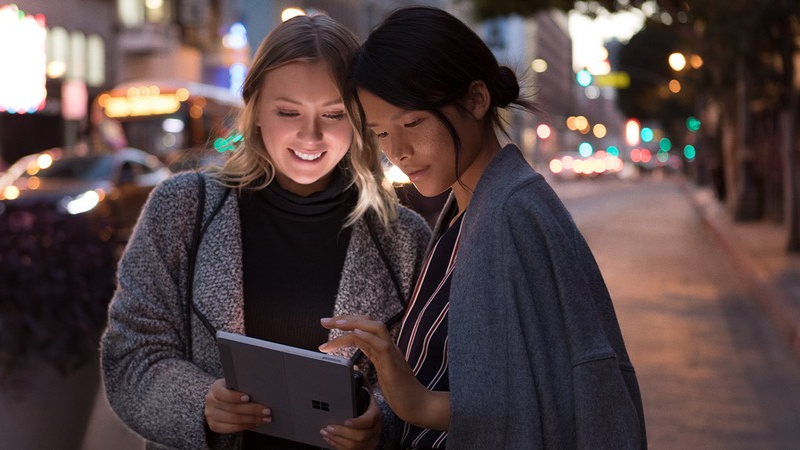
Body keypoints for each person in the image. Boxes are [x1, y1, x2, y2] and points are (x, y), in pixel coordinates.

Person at [320, 6, 647, 449]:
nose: (399, 150)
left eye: (413, 122)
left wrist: (417, 404)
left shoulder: (513, 213)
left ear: (475, 99)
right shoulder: (466, 209)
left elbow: (550, 406)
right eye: (380, 133)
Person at [101, 13, 431, 450]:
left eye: (333, 113)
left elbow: (436, 378)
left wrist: (383, 423)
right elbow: (131, 355)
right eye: (288, 111)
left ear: (359, 119)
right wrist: (201, 403)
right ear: (255, 109)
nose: (310, 136)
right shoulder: (183, 208)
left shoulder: (404, 238)